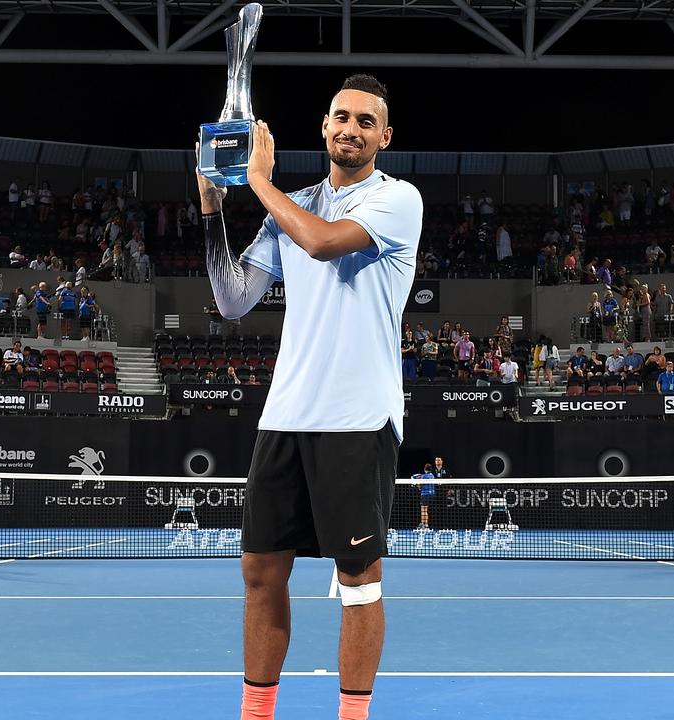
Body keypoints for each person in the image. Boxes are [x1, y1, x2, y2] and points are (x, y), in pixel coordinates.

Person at [197, 74, 421, 720]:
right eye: (341, 117)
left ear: (384, 136)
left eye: (364, 121)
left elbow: (322, 244)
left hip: (358, 419)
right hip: (286, 416)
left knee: (357, 588)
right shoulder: (291, 204)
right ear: (324, 127)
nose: (351, 129)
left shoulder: (398, 201)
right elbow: (232, 299)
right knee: (259, 574)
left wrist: (258, 181)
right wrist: (214, 207)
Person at [411, 463, 436, 530]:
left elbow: (420, 485)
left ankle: (423, 525)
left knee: (423, 510)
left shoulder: (424, 476)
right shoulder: (432, 476)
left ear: (425, 469)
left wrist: (417, 485)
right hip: (432, 494)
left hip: (425, 494)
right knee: (426, 510)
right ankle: (426, 525)